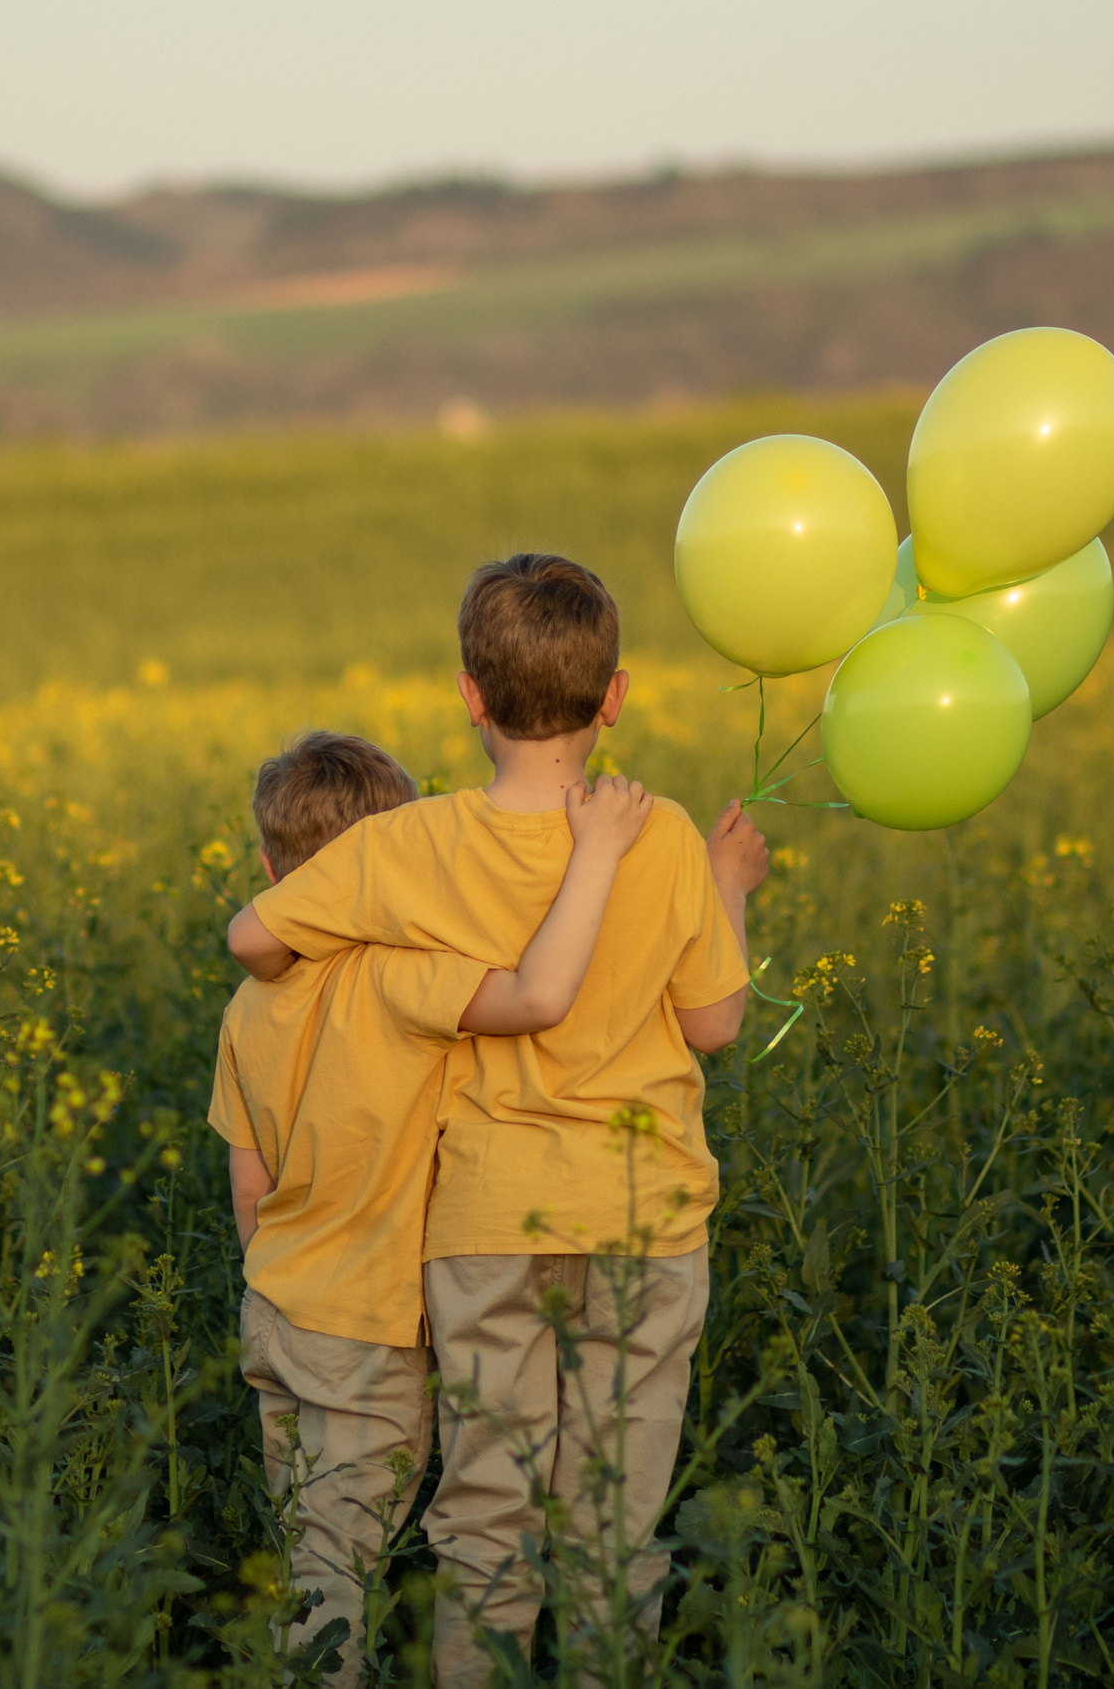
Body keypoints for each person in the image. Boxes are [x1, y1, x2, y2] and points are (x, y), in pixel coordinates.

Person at [228, 555, 769, 1687]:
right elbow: (715, 1021)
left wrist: (330, 941)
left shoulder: (402, 844)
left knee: (483, 1520)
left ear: (469, 696)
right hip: (645, 1216)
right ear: (613, 696)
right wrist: (726, 887)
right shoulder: (658, 832)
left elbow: (254, 941)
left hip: (484, 1228)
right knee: (614, 1524)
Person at [207, 727, 657, 1686]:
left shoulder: (247, 1007)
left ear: (268, 867)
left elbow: (249, 1185)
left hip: (279, 1313)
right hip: (371, 1329)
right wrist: (593, 858)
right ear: (398, 864)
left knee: (304, 1553)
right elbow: (539, 994)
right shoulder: (404, 980)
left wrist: (285, 1284)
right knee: (339, 1570)